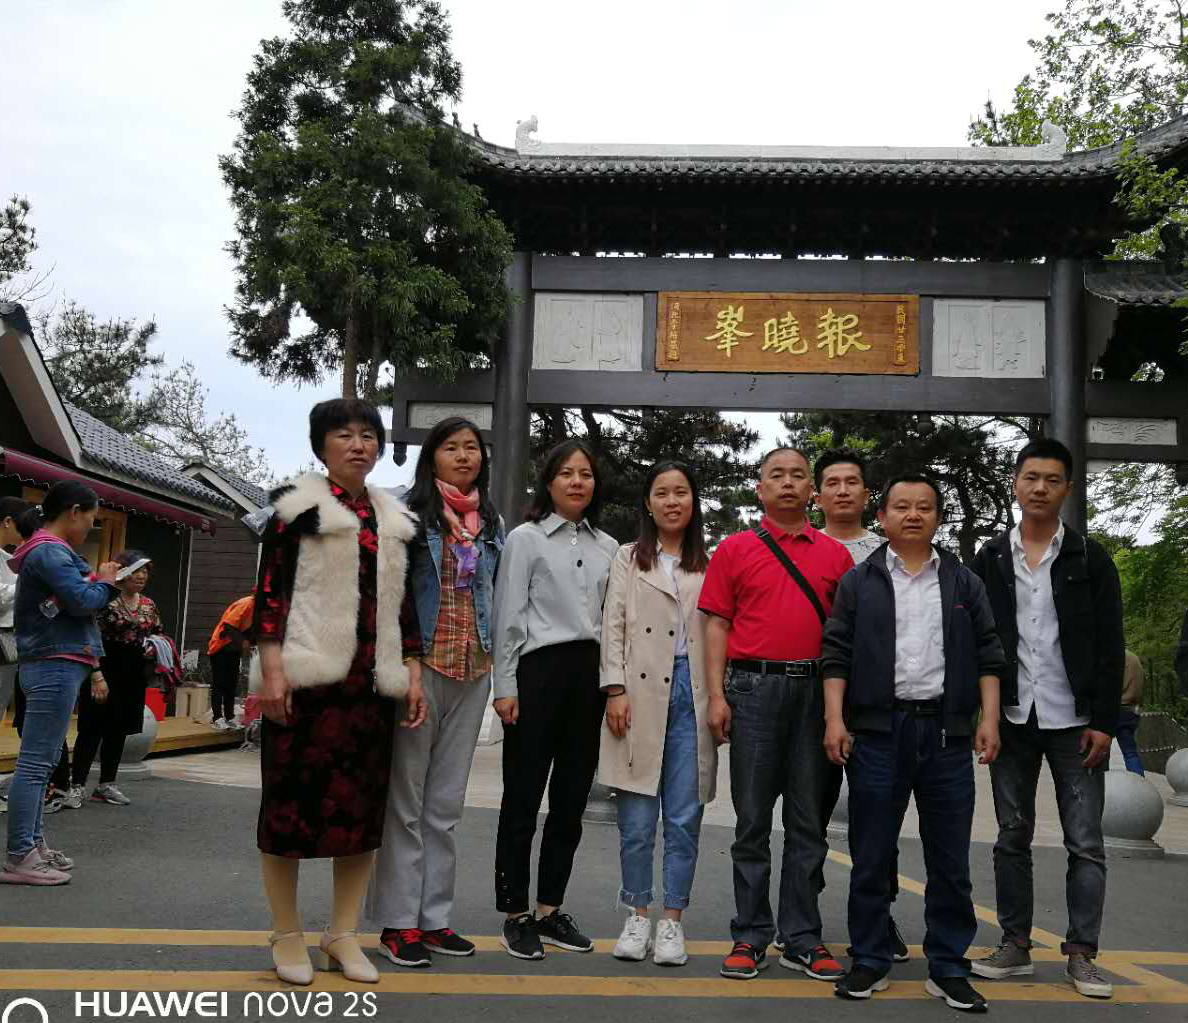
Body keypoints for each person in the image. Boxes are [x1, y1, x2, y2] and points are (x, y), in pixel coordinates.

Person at [252, 399, 427, 986]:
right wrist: (272, 672)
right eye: (344, 434)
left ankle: (342, 933)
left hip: (369, 687)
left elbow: (404, 605)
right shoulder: (296, 511)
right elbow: (269, 595)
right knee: (288, 812)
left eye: (368, 435)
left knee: (360, 814)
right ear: (321, 445)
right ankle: (286, 932)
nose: (359, 444)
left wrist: (412, 670)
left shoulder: (393, 519)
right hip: (306, 680)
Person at [822, 473, 1004, 1012]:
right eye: (901, 506)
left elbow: (989, 654)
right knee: (871, 852)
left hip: (947, 733)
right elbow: (836, 654)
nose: (913, 515)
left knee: (950, 858)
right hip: (879, 733)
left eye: (924, 506)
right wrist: (835, 720)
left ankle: (948, 965)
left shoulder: (963, 582)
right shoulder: (860, 581)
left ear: (938, 518)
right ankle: (870, 958)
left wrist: (988, 719)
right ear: (882, 517)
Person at [968, 438, 1124, 1000]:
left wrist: (1104, 721)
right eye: (1030, 477)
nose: (1040, 488)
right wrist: (982, 715)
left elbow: (1111, 645)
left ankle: (1082, 954)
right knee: (1012, 835)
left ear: (1067, 489)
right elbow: (976, 641)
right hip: (1011, 717)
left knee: (1085, 841)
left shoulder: (1090, 558)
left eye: (1052, 480)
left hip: (1075, 721)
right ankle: (1014, 944)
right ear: (1015, 483)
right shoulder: (989, 558)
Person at [698, 447, 853, 982]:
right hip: (753, 690)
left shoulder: (836, 556)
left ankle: (802, 936)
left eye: (798, 475)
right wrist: (717, 695)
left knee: (809, 823)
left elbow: (844, 638)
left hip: (815, 692)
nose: (787, 483)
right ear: (759, 488)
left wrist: (838, 712)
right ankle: (750, 934)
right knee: (752, 821)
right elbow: (716, 624)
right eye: (776, 475)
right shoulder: (734, 549)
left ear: (812, 490)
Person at [368, 417, 504, 968]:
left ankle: (434, 919)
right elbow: (391, 592)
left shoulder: (491, 520)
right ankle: (398, 922)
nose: (464, 456)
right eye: (452, 447)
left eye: (472, 447)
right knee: (406, 801)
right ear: (432, 457)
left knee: (446, 804)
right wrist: (402, 664)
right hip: (421, 667)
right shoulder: (406, 512)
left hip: (473, 668)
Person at [491, 439, 618, 961]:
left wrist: (614, 686)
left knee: (570, 801)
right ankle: (514, 913)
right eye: (566, 473)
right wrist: (505, 686)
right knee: (522, 798)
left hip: (588, 678)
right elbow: (507, 614)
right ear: (548, 482)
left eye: (585, 473)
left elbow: (613, 623)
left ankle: (549, 910)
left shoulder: (610, 547)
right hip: (537, 673)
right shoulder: (525, 539)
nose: (576, 481)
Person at [600, 461, 716, 968]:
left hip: (692, 692)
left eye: (681, 492)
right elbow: (613, 624)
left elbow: (720, 634)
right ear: (648, 503)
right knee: (637, 819)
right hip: (639, 692)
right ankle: (637, 914)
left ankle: (672, 921)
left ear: (694, 502)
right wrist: (614, 688)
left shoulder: (710, 562)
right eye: (662, 493)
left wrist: (719, 697)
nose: (672, 501)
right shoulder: (628, 557)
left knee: (685, 817)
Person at [813, 448, 908, 964]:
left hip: (877, 702)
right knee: (810, 812)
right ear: (817, 495)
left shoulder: (889, 550)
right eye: (833, 482)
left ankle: (879, 917)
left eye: (852, 482)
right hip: (817, 696)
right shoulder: (804, 547)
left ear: (868, 495)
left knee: (878, 818)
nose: (843, 490)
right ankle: (802, 917)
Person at [1, 482, 120, 885]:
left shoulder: (44, 550)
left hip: (51, 660)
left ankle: (32, 846)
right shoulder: (50, 551)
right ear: (74, 511)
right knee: (36, 764)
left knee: (44, 761)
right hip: (54, 661)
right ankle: (21, 854)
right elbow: (82, 601)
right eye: (90, 518)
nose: (89, 526)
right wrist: (107, 582)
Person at [68, 550, 162, 808]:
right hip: (103, 669)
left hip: (133, 674)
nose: (141, 576)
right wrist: (95, 674)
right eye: (136, 570)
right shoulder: (104, 600)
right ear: (122, 573)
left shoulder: (149, 604)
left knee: (119, 730)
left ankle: (106, 784)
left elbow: (157, 634)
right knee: (91, 728)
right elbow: (87, 637)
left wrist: (155, 649)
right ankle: (77, 785)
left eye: (145, 571)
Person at [207, 595, 254, 730]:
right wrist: (243, 642)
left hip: (234, 649)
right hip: (220, 647)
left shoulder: (261, 609)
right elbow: (228, 625)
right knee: (219, 683)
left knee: (231, 684)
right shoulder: (246, 604)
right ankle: (217, 718)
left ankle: (230, 717)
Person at [1115, 650, 1144, 776]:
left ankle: (1101, 785)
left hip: (1116, 709)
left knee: (1101, 752)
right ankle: (1139, 782)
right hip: (1132, 710)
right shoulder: (1134, 658)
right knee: (1130, 752)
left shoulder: (1114, 655)